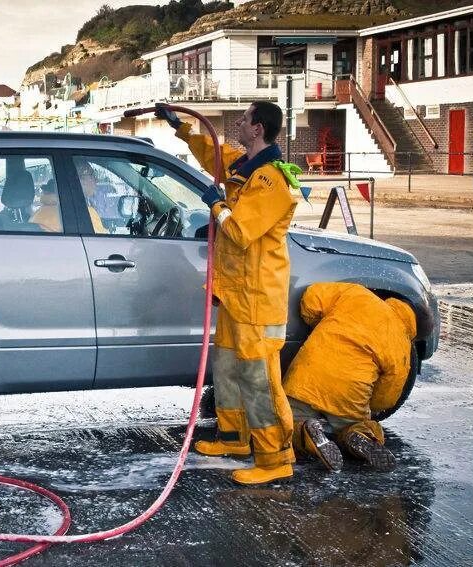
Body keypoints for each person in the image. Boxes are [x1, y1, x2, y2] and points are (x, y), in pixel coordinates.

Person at [155, 101, 298, 485]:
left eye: (244, 119)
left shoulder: (271, 181)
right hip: (236, 295)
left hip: (258, 298)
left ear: (259, 129)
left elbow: (240, 230)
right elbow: (214, 155)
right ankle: (234, 438)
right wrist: (182, 129)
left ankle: (274, 457)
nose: (238, 123)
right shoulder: (246, 167)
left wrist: (216, 205)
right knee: (229, 368)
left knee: (258, 377)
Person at [283, 282, 417, 472]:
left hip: (308, 375)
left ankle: (306, 430)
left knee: (290, 421)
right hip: (350, 394)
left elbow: (312, 298)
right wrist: (370, 407)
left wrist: (315, 321)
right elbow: (386, 397)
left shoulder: (357, 294)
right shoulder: (402, 343)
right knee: (357, 424)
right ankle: (360, 436)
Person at [74, 159, 108, 234]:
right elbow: (103, 242)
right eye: (92, 175)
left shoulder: (45, 210)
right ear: (80, 179)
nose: (97, 180)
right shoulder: (86, 214)